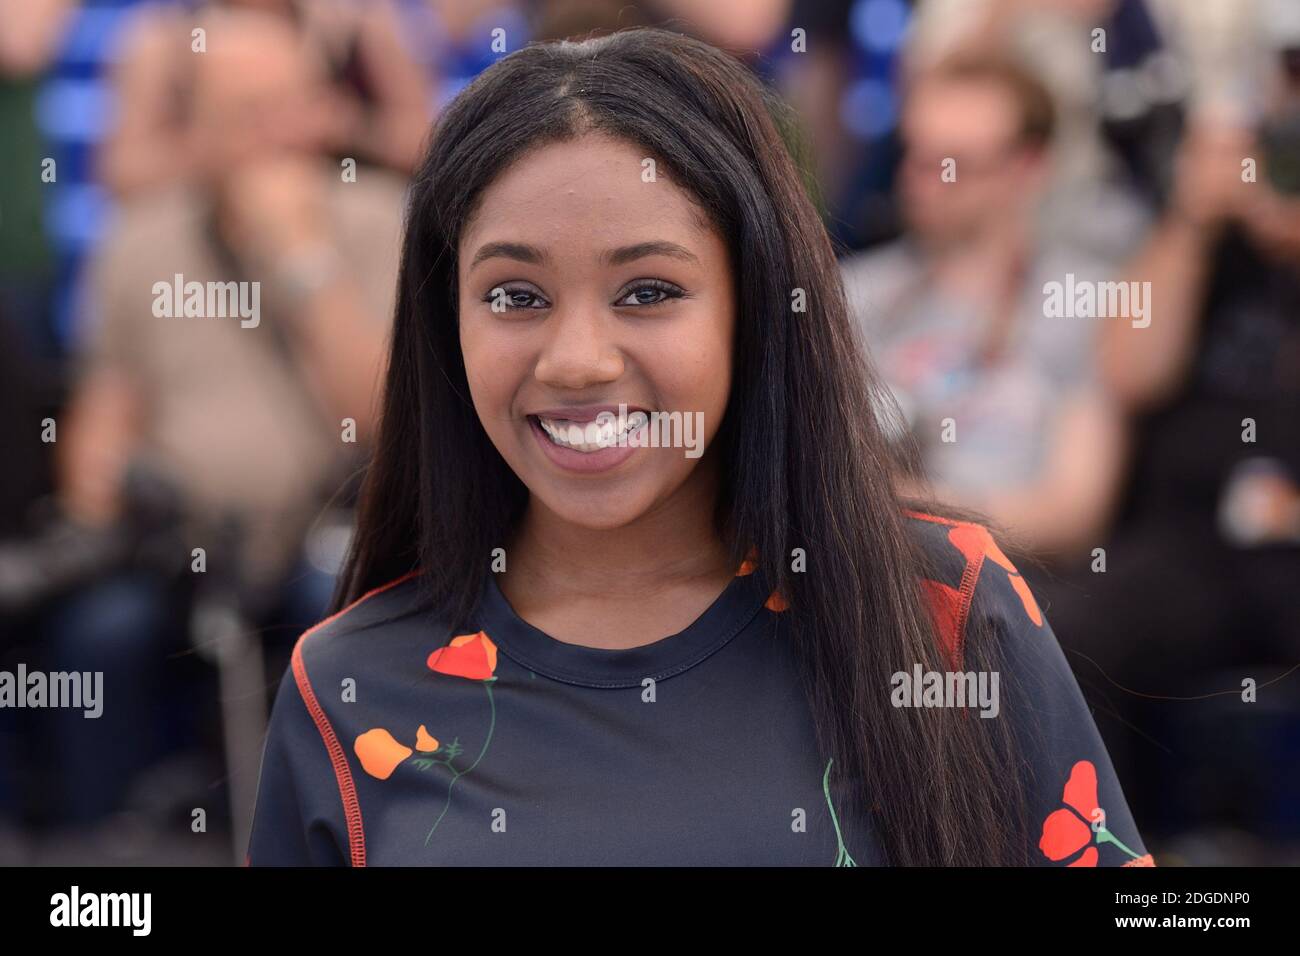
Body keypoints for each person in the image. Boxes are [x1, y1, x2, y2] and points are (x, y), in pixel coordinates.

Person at [246, 27, 1153, 867]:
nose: (578, 362)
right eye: (516, 297)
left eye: (647, 291)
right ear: (448, 327)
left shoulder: (947, 611)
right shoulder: (347, 689)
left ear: (754, 309)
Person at [841, 54, 1127, 559]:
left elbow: (1074, 510)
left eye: (953, 165)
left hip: (1013, 590)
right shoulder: (850, 291)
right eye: (914, 156)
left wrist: (896, 502)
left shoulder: (1082, 298)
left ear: (1029, 166)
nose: (920, 182)